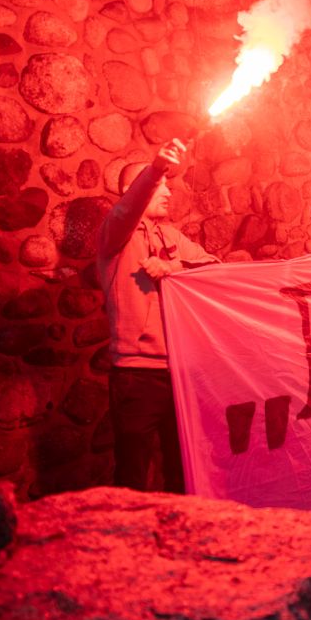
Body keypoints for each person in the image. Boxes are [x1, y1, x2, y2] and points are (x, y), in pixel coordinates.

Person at [97, 138, 219, 492]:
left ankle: (180, 540)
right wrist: (155, 169)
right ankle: (129, 543)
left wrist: (175, 266)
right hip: (136, 376)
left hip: (179, 372)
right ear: (132, 190)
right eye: (159, 184)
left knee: (183, 470)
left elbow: (214, 269)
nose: (167, 190)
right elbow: (126, 210)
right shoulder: (115, 235)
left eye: (167, 183)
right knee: (133, 476)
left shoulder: (171, 236)